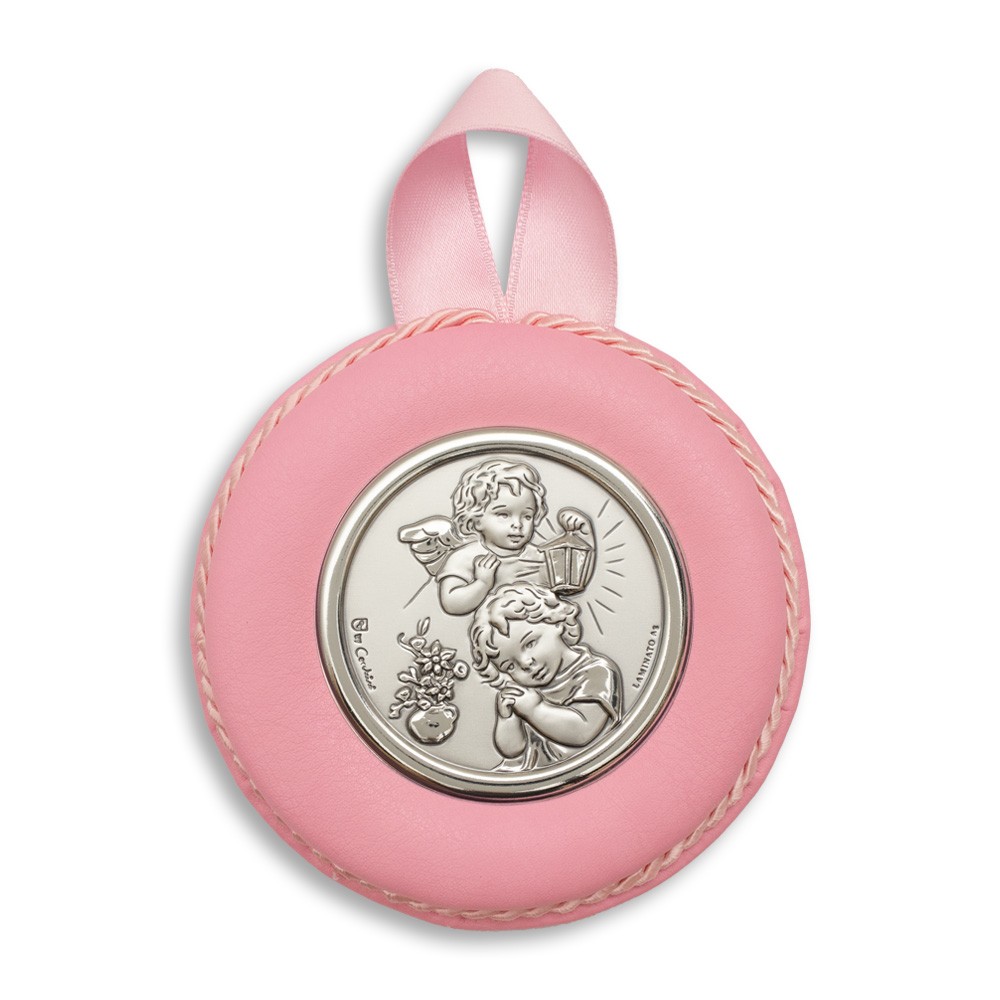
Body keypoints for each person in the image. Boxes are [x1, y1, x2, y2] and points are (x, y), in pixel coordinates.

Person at [470, 583, 622, 770]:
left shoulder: (596, 672)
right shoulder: (525, 693)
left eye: (530, 643)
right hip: (531, 775)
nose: (525, 663)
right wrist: (506, 719)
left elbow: (582, 732)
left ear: (555, 621)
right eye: (510, 666)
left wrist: (534, 710)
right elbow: (513, 751)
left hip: (583, 769)